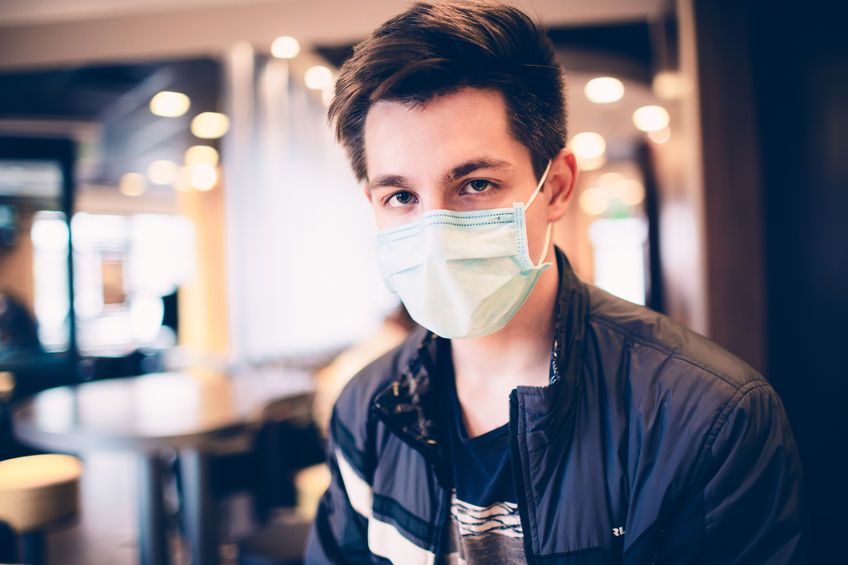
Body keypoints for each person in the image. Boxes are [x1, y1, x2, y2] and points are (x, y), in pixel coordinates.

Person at [305, 1, 805, 563]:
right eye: (401, 196)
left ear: (557, 187)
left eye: (476, 184)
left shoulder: (707, 418)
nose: (435, 229)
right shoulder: (367, 409)